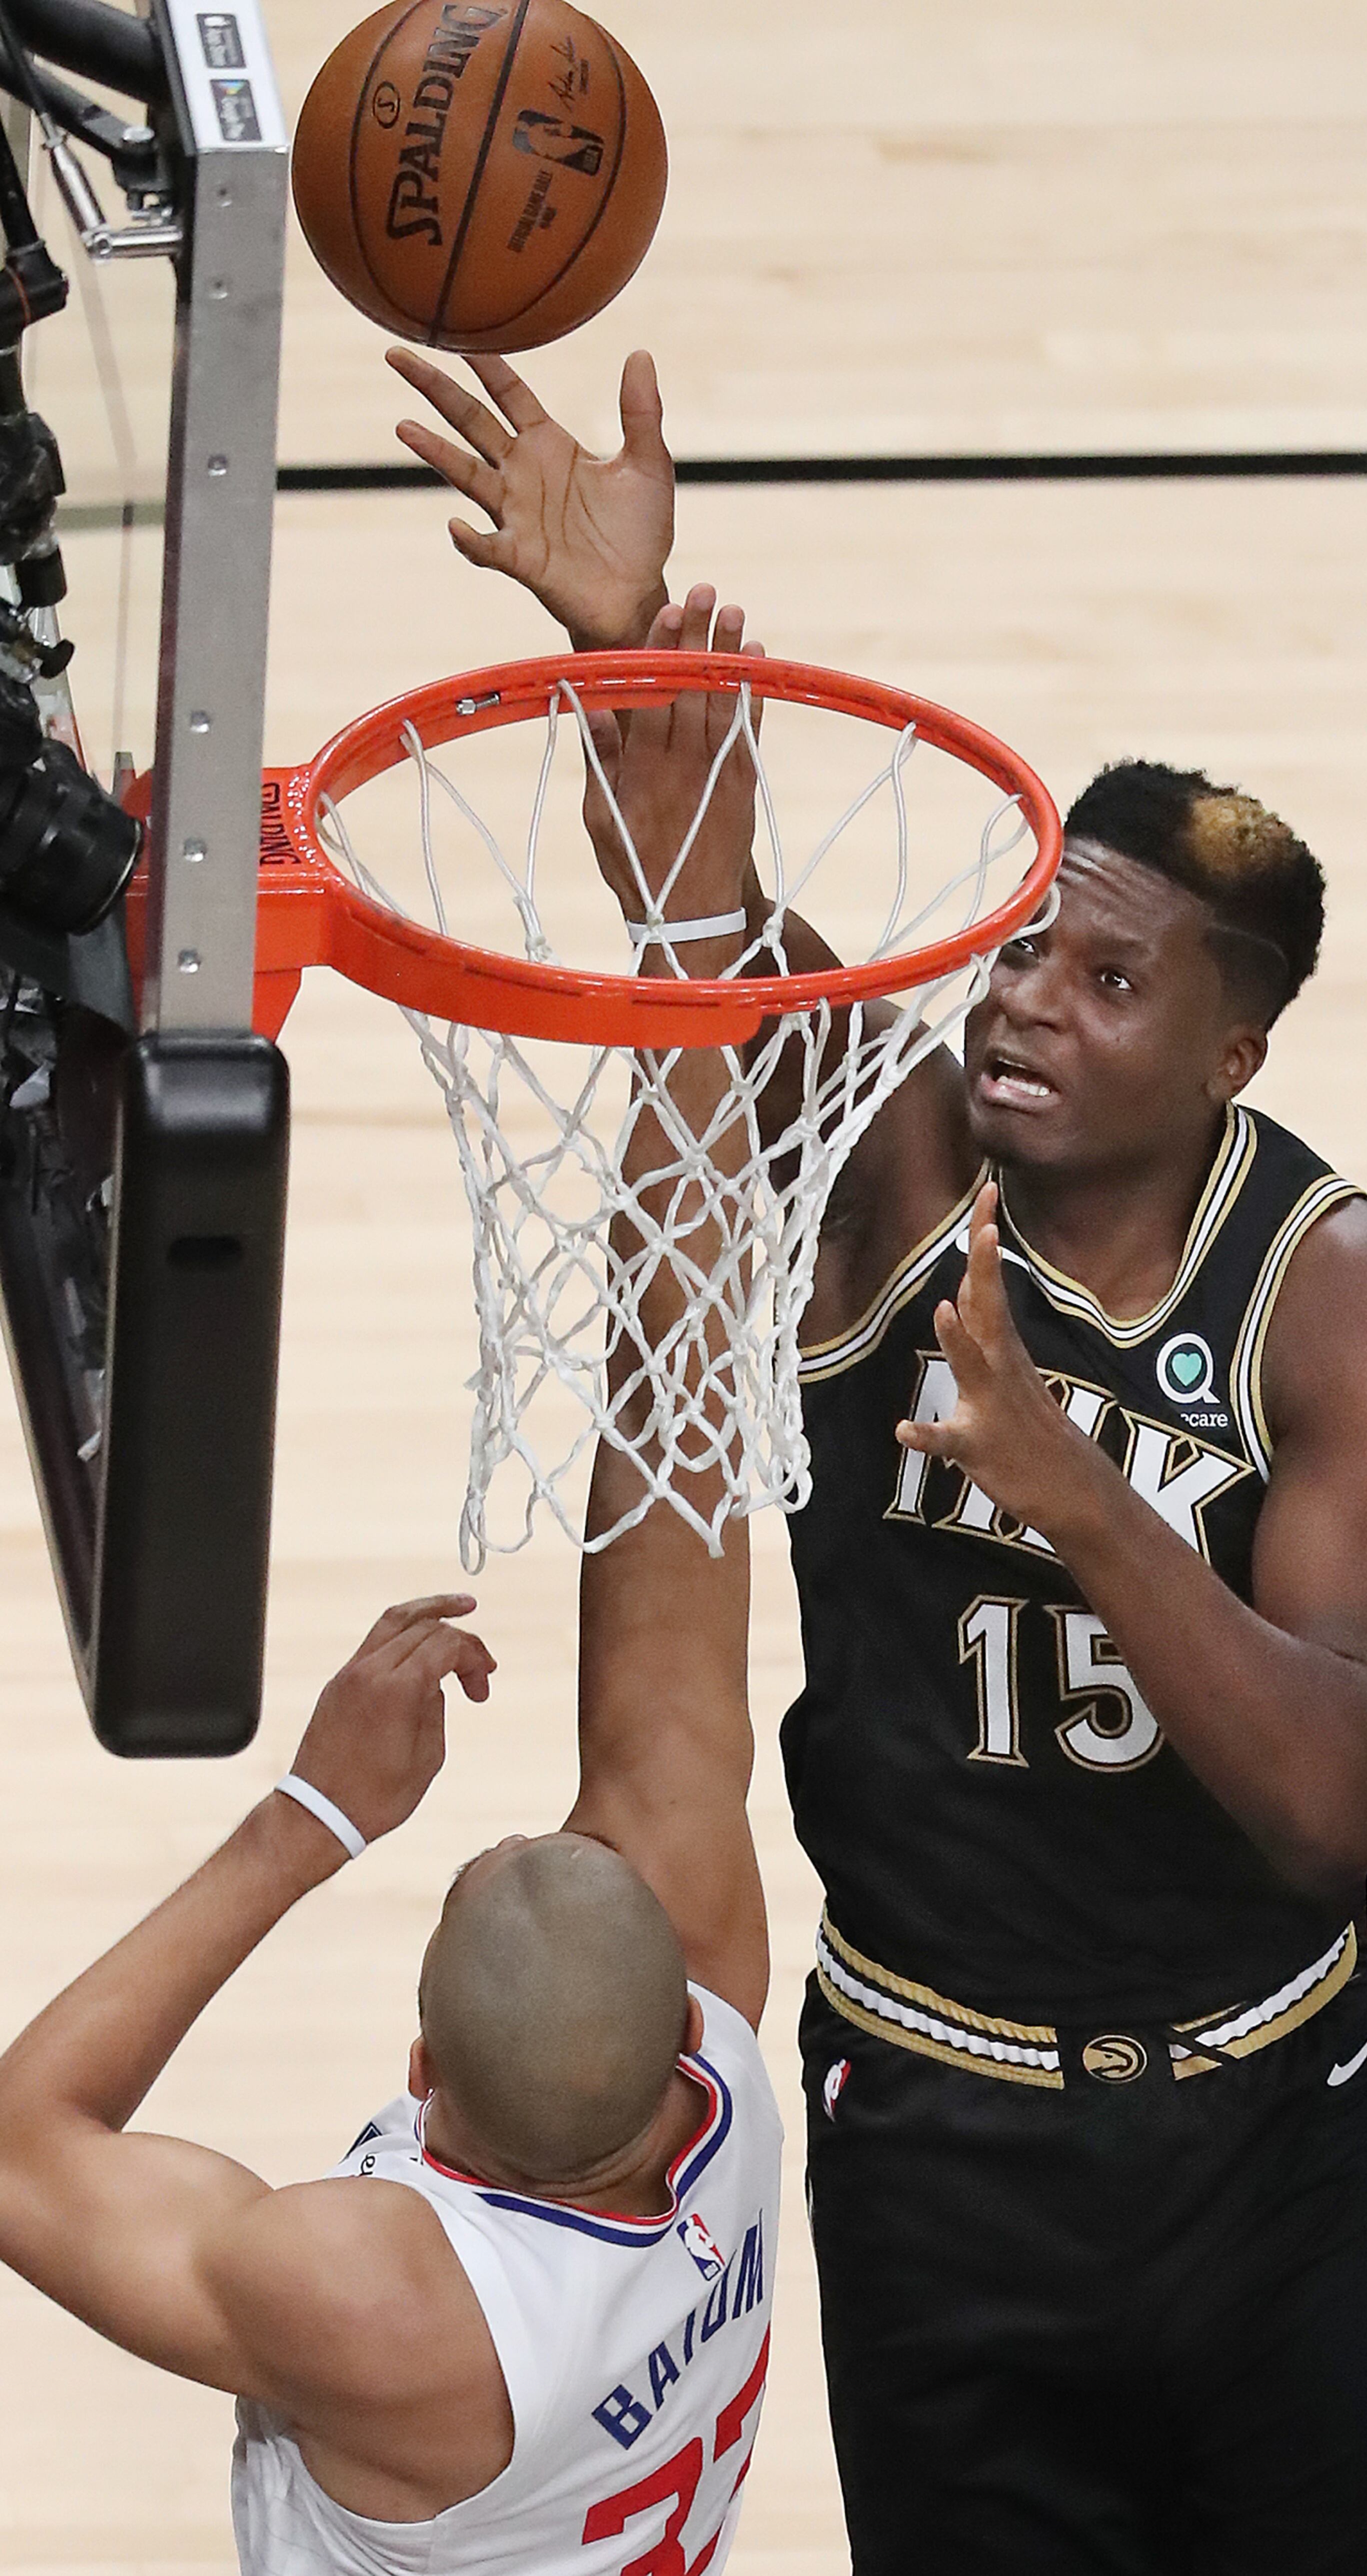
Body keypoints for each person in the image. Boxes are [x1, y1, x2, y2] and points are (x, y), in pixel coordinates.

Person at [394, 346, 1367, 2573]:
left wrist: (1072, 1484)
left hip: (1276, 2126)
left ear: (1235, 1051)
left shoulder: (1349, 1292)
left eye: (1110, 981)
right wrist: (627, 636)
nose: (1025, 1001)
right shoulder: (894, 1162)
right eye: (1026, 946)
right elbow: (712, 928)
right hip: (939, 2125)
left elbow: (1326, 1805)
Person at [0, 658, 784, 2576]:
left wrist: (317, 1816)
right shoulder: (731, 2088)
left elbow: (24, 2150)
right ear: (683, 2045)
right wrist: (686, 948)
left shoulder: (385, 2304)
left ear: (419, 2097)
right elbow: (681, 1459)